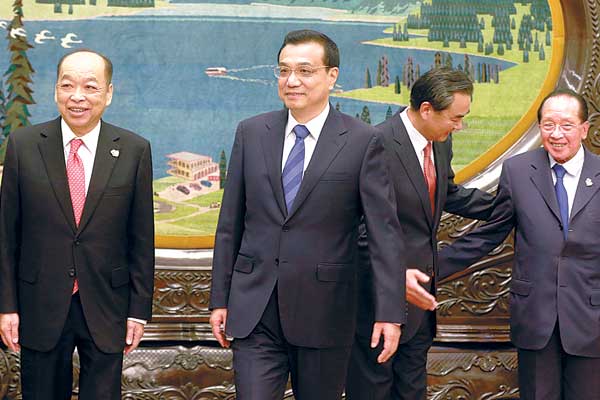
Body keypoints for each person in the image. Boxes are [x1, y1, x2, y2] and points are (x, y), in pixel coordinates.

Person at [209, 29, 405, 400]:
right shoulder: (251, 133)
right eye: (283, 71)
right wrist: (220, 298)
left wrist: (389, 312)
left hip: (325, 311)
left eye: (304, 70)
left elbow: (384, 235)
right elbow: (230, 224)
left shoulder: (363, 140)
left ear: (332, 76)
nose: (292, 81)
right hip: (255, 309)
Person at [0, 49, 155, 399]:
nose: (78, 96)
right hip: (38, 302)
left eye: (90, 86)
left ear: (109, 93)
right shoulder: (23, 146)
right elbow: (6, 236)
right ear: (55, 90)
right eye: (67, 85)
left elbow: (141, 239)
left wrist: (138, 311)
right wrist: (6, 306)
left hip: (106, 303)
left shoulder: (134, 150)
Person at [437, 88, 600, 399]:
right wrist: (429, 269)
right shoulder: (519, 170)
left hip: (591, 318)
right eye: (548, 125)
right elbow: (490, 233)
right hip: (536, 319)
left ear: (584, 129)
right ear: (540, 128)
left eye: (566, 125)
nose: (557, 134)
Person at [346, 68, 495, 400]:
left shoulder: (439, 142)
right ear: (427, 109)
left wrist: (507, 206)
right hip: (376, 303)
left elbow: (448, 193)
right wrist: (395, 277)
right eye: (455, 118)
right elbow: (358, 229)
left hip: (421, 307)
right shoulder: (376, 143)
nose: (459, 125)